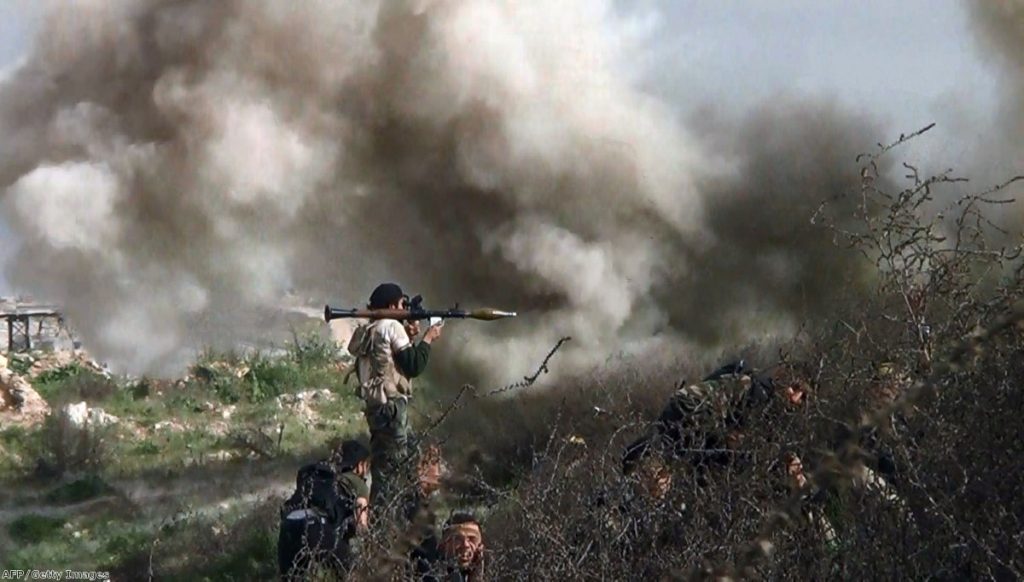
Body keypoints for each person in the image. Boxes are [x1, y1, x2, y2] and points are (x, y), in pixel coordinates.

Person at [347, 283, 443, 508]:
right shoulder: (391, 326)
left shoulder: (370, 329)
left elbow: (389, 362)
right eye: (401, 304)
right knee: (392, 471)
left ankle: (392, 516)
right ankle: (387, 523)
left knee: (388, 465)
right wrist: (428, 338)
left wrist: (410, 336)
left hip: (377, 408)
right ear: (392, 305)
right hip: (391, 408)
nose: (404, 308)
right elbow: (413, 365)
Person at [278, 439, 371, 580]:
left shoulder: (326, 476)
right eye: (367, 465)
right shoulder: (357, 482)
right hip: (314, 526)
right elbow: (361, 524)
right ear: (360, 465)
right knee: (352, 572)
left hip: (288, 525)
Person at [411, 512, 486, 582]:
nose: (465, 544)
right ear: (443, 546)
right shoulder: (428, 573)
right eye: (457, 539)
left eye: (471, 539)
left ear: (480, 546)